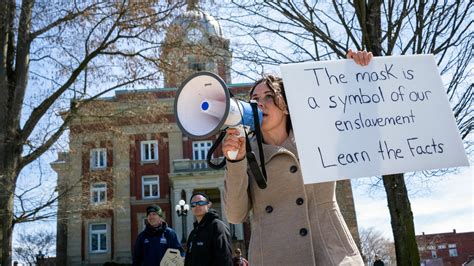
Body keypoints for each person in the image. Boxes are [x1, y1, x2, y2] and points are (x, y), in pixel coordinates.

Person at [222, 50, 373, 265]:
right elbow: (235, 216)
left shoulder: (318, 136)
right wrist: (235, 162)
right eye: (254, 99)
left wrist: (354, 72)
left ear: (286, 105)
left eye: (269, 97)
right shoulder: (247, 152)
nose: (260, 104)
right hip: (275, 256)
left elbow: (353, 115)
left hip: (330, 252)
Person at [184, 192, 233, 266]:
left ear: (208, 205)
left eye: (200, 202)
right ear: (191, 208)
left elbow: (225, 258)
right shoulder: (193, 233)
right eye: (193, 204)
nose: (197, 206)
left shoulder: (218, 226)